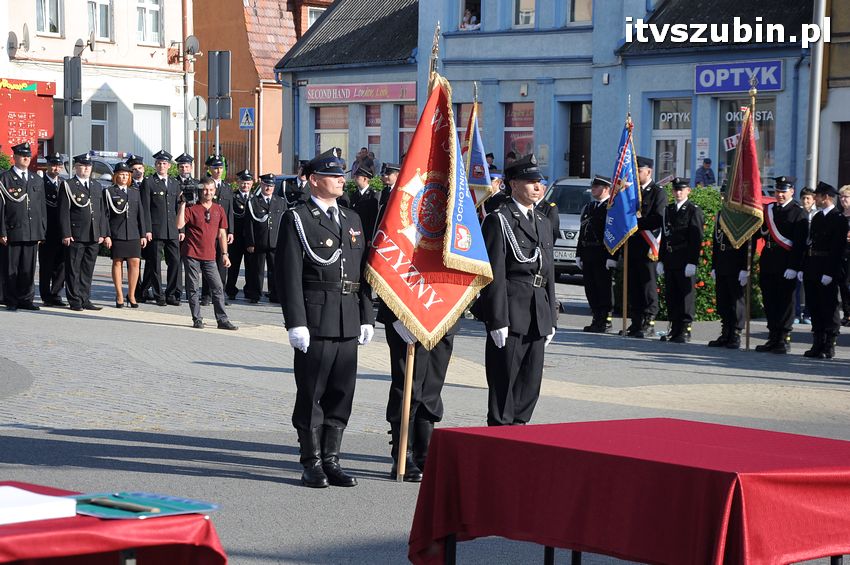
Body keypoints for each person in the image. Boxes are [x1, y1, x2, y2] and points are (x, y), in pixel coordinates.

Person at [276, 147, 375, 488]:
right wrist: (295, 322)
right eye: (334, 176)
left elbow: (361, 271)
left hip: (348, 316)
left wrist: (366, 315)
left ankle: (332, 458)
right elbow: (288, 275)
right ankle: (311, 460)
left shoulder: (351, 219)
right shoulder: (298, 218)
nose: (341, 180)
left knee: (341, 392)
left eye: (342, 175)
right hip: (316, 318)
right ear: (314, 180)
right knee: (311, 392)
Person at [476, 154, 557, 426]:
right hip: (511, 314)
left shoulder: (544, 221)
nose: (538, 187)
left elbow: (549, 274)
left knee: (530, 385)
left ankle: (518, 435)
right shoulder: (499, 220)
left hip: (538, 313)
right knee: (504, 386)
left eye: (540, 182)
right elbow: (493, 274)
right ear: (513, 184)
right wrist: (496, 319)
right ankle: (499, 440)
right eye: (531, 181)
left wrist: (552, 318)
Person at [754, 177, 808, 353]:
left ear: (792, 191)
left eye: (783, 192)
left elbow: (799, 244)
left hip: (786, 262)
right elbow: (760, 233)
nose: (780, 195)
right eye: (778, 191)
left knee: (785, 301)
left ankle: (784, 338)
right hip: (769, 259)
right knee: (769, 299)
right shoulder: (769, 209)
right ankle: (773, 336)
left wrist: (794, 266)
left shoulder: (798, 212)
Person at [177, 177, 238, 331]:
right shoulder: (192, 208)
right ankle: (197, 318)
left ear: (214, 191)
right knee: (193, 288)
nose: (208, 192)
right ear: (200, 190)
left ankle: (222, 320)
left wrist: (225, 254)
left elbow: (222, 234)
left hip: (210, 256)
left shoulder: (219, 209)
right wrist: (183, 203)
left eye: (210, 190)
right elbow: (179, 224)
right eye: (205, 189)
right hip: (191, 253)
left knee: (217, 287)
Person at [802, 182, 847, 359]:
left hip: (827, 267)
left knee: (829, 307)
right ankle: (817, 342)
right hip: (813, 266)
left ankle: (829, 344)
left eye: (818, 196)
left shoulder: (839, 219)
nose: (815, 199)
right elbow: (810, 243)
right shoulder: (818, 217)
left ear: (826, 197)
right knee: (814, 305)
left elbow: (837, 249)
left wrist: (829, 272)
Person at [0, 142, 46, 311]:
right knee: (11, 267)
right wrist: (2, 231)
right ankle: (10, 299)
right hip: (12, 230)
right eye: (22, 155)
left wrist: (41, 231)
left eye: (28, 155)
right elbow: (1, 207)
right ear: (15, 157)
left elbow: (41, 208)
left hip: (32, 231)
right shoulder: (5, 178)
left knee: (28, 267)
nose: (26, 158)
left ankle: (26, 299)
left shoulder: (36, 179)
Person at [59, 153, 108, 311]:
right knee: (73, 269)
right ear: (75, 167)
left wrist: (102, 232)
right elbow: (64, 212)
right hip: (76, 233)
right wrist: (66, 233)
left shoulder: (96, 185)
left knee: (87, 269)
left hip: (93, 234)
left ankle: (85, 298)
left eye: (88, 166)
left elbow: (101, 211)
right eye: (82, 166)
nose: (86, 169)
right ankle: (74, 300)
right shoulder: (68, 185)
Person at [625, 156, 667, 338]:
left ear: (648, 171)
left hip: (648, 247)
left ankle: (648, 321)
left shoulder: (658, 192)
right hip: (633, 246)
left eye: (639, 171)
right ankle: (635, 321)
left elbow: (658, 218)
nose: (636, 174)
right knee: (633, 286)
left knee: (647, 286)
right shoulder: (632, 191)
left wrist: (636, 223)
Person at [657, 178, 703, 343]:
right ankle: (674, 328)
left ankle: (685, 329)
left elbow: (696, 239)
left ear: (688, 191)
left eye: (681, 189)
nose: (678, 192)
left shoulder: (693, 210)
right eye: (676, 189)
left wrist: (692, 261)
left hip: (684, 259)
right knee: (672, 295)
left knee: (685, 296)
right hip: (670, 259)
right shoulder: (668, 210)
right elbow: (664, 237)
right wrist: (660, 259)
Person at [139, 150, 182, 306]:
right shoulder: (149, 182)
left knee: (175, 261)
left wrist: (181, 230)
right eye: (158, 163)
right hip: (156, 230)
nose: (161, 166)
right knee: (155, 264)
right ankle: (159, 295)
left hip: (172, 230)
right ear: (155, 165)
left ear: (169, 166)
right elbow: (145, 208)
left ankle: (171, 293)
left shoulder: (175, 183)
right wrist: (147, 230)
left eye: (164, 163)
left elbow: (179, 208)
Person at [576, 175, 617, 332]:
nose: (593, 189)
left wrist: (612, 256)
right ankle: (596, 317)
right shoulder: (589, 207)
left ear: (606, 189)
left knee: (603, 287)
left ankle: (606, 319)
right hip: (588, 252)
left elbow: (613, 233)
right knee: (590, 288)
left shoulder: (611, 208)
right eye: (593, 186)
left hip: (602, 253)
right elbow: (583, 231)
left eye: (596, 187)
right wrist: (578, 253)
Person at [104, 162, 146, 308]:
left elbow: (141, 214)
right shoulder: (109, 192)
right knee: (118, 262)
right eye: (121, 174)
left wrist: (143, 234)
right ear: (116, 176)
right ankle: (120, 295)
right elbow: (105, 215)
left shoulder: (134, 192)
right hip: (117, 233)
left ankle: (132, 295)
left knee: (135, 262)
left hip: (133, 233)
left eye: (127, 174)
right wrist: (107, 235)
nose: (124, 177)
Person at [707, 214, 749, 349]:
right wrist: (714, 265)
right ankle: (726, 331)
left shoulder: (743, 214)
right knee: (723, 299)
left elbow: (748, 242)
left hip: (736, 261)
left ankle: (736, 332)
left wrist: (745, 267)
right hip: (721, 261)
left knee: (736, 300)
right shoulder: (721, 214)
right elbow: (716, 241)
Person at [244, 173, 286, 303]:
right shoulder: (253, 202)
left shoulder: (280, 202)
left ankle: (275, 294)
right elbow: (249, 223)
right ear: (261, 185)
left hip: (275, 242)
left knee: (275, 270)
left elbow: (284, 223)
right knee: (257, 270)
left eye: (271, 185)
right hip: (259, 241)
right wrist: (250, 242)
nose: (269, 188)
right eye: (266, 185)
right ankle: (254, 295)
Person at [201, 155, 234, 306]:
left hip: (222, 230)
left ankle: (220, 293)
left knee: (222, 263)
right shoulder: (204, 185)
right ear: (209, 169)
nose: (218, 171)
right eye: (215, 168)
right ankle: (206, 294)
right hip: (208, 229)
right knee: (208, 262)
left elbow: (229, 212)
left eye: (220, 168)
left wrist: (231, 231)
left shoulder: (227, 188)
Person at [38, 153, 67, 307]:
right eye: (53, 165)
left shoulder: (64, 184)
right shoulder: (40, 183)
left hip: (61, 231)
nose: (56, 168)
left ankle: (56, 294)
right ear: (47, 166)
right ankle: (45, 295)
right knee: (46, 265)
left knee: (60, 265)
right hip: (46, 231)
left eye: (59, 165)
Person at [226, 169, 254, 300]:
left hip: (250, 238)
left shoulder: (255, 198)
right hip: (236, 237)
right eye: (243, 183)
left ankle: (250, 290)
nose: (245, 186)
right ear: (238, 183)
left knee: (250, 267)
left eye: (248, 183)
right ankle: (230, 289)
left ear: (252, 184)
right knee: (234, 266)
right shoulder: (233, 197)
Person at [795, 186, 817, 325]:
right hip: (799, 253)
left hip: (812, 254)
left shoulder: (817, 215)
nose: (805, 201)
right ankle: (796, 313)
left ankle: (808, 314)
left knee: (810, 285)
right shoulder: (797, 213)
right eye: (803, 198)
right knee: (796, 285)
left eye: (808, 198)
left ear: (813, 200)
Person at [838, 185, 850, 327]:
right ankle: (847, 314)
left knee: (847, 284)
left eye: (846, 197)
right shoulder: (840, 215)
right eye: (841, 197)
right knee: (842, 284)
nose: (842, 199)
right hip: (841, 253)